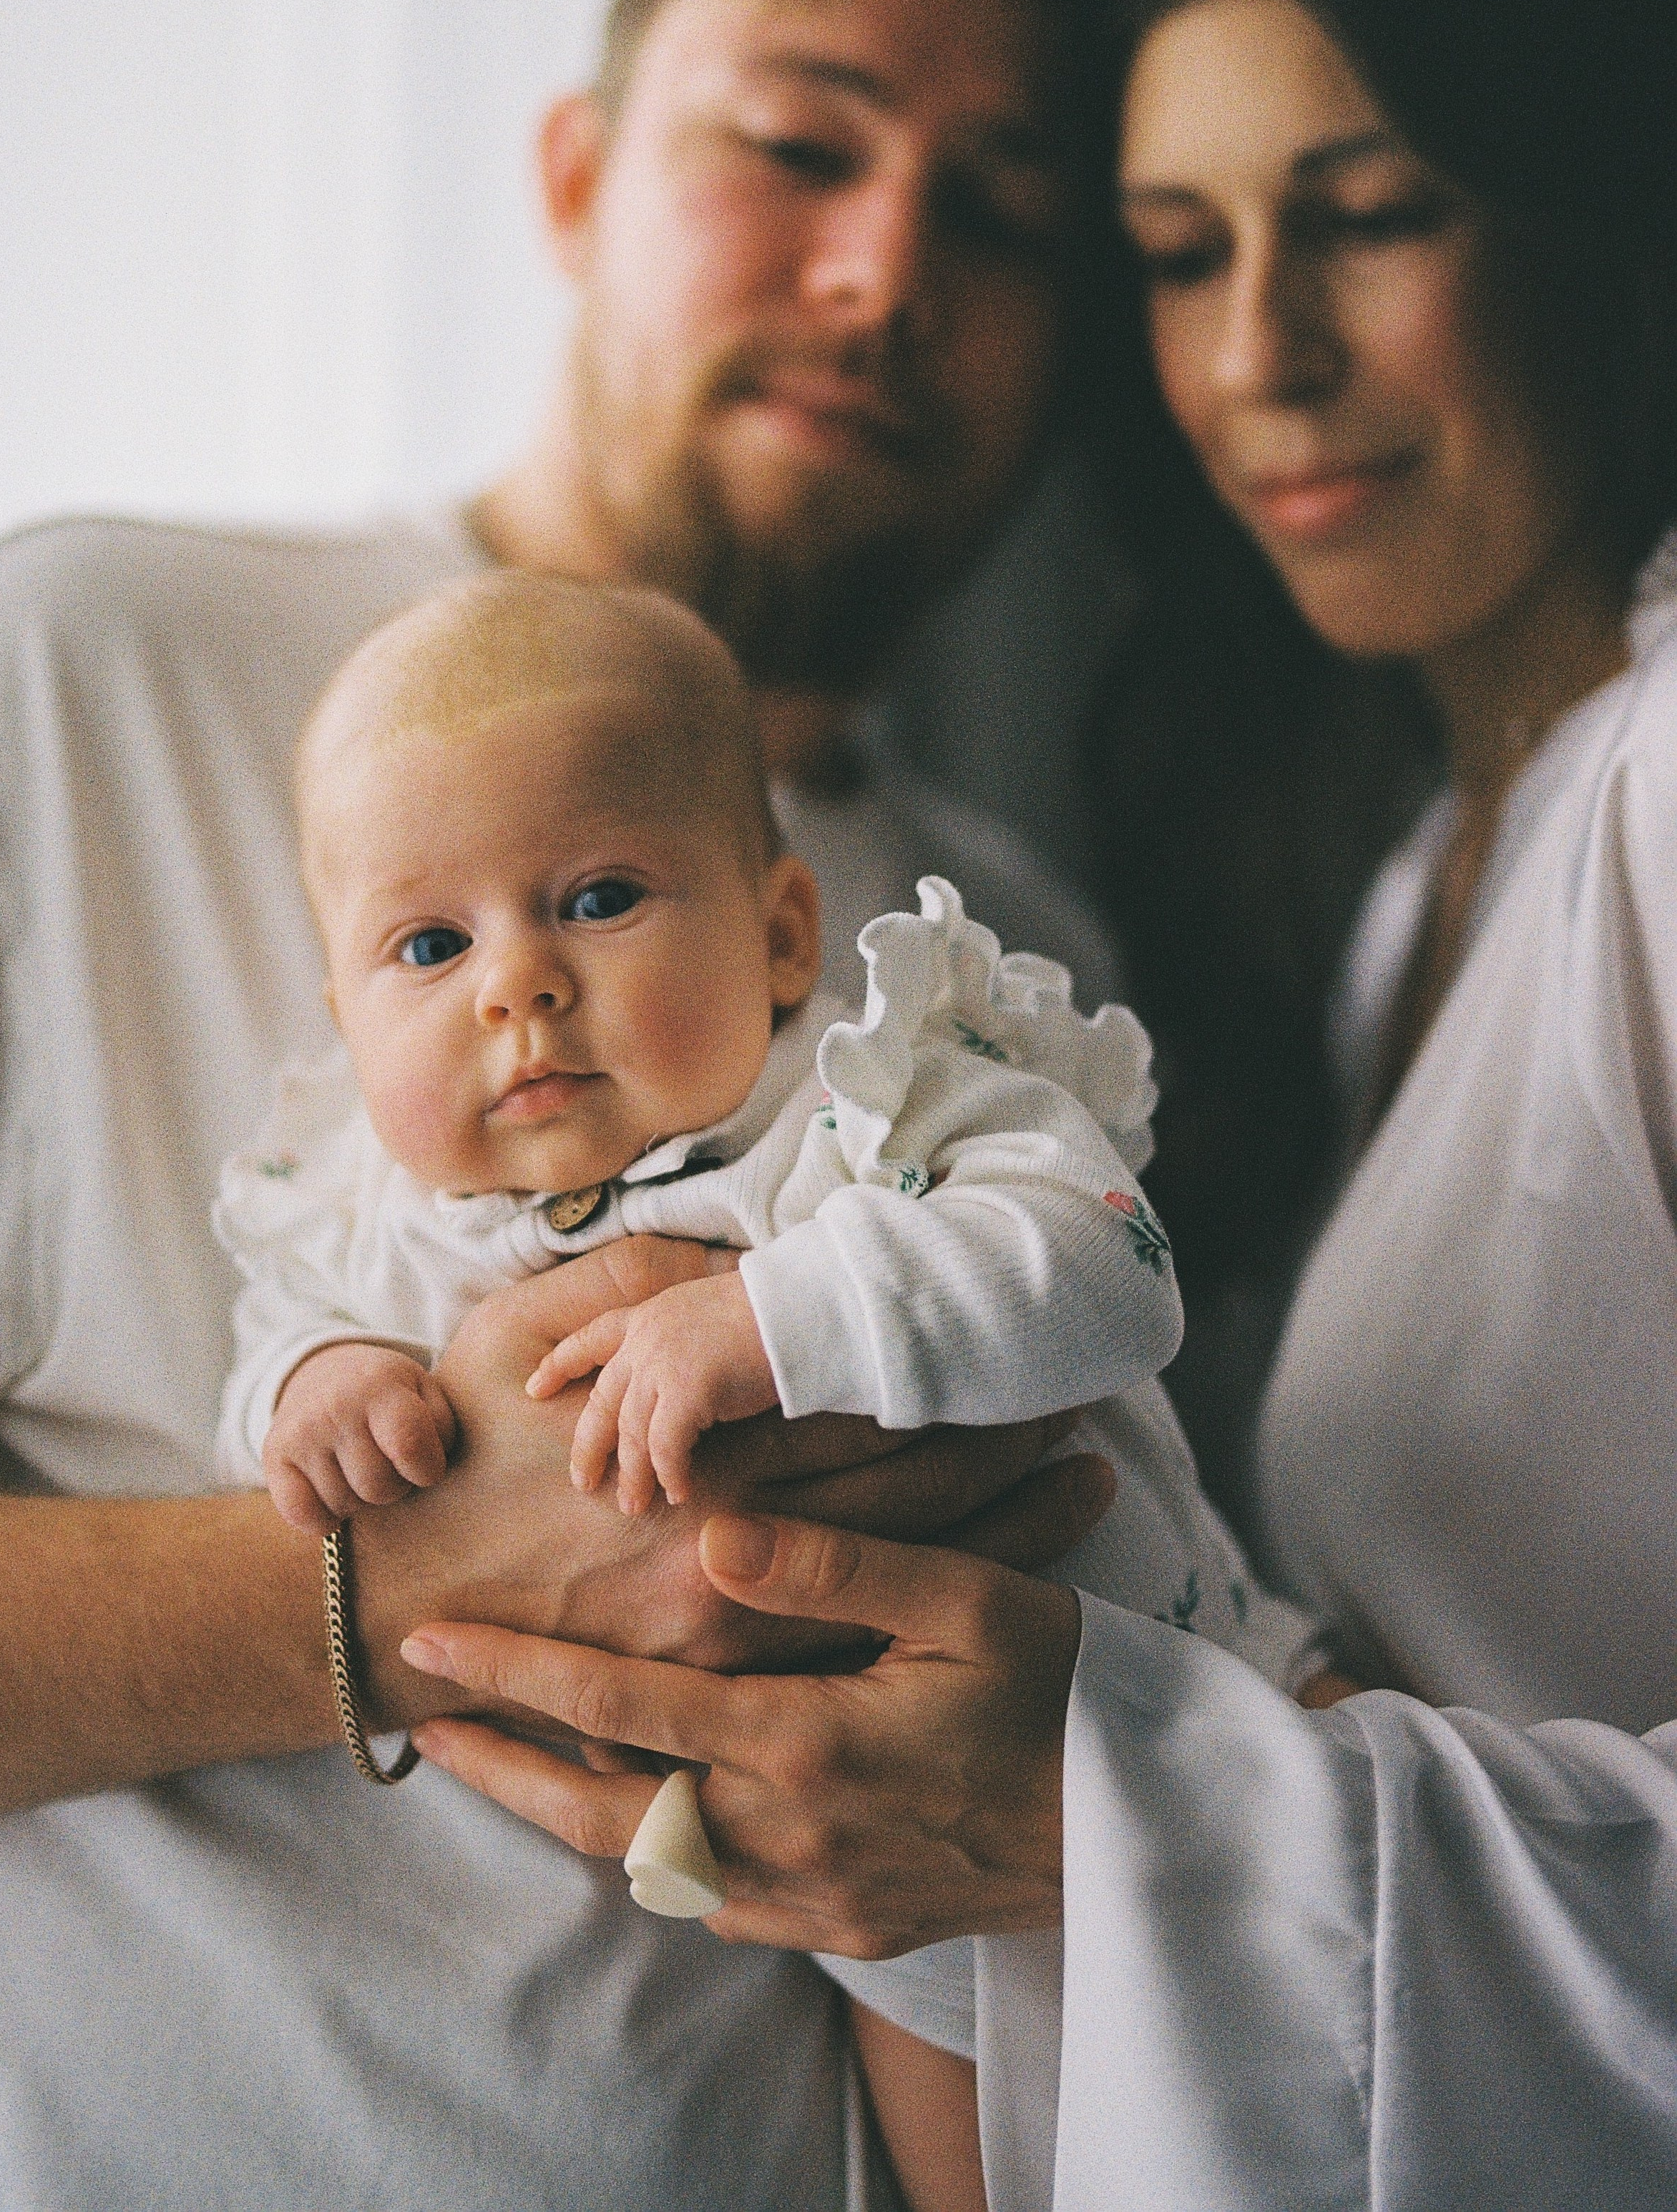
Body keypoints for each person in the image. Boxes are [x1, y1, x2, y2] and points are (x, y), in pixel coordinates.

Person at [403, 0, 1677, 2210]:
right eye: (1173, 252)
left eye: (1364, 215)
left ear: (1605, 202)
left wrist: (1111, 1797)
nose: (1252, 359)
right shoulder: (1410, 867)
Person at [0, 0, 1130, 2212]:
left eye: (1002, 211)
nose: (884, 266)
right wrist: (407, 1573)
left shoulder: (1015, 956)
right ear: (580, 174)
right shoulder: (73, 673)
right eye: (796, 144)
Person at [215, 567, 1316, 2210]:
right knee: (955, 2145)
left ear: (779, 927)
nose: (514, 986)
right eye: (428, 944)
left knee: (1248, 2133)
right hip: (856, 1890)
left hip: (1186, 1739)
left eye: (594, 898)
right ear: (345, 1019)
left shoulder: (865, 1115)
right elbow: (270, 1351)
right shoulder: (382, 1218)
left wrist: (779, 1314)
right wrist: (318, 1386)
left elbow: (1108, 1273)